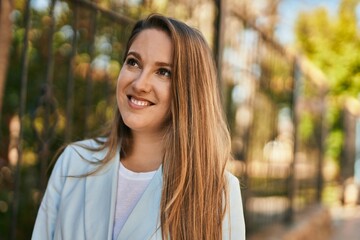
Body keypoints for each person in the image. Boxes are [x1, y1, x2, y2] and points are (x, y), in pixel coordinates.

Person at [32, 13, 245, 240]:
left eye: (163, 72)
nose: (140, 83)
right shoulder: (73, 162)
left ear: (190, 91)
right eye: (133, 62)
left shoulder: (217, 191)